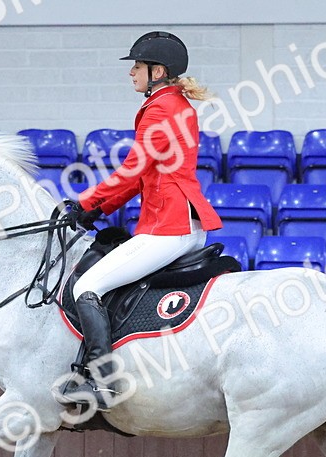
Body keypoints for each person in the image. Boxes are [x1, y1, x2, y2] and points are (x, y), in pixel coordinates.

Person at [57, 30, 223, 410]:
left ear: (157, 70)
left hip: (169, 226)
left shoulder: (162, 109)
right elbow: (140, 179)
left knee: (87, 287)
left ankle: (102, 381)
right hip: (177, 221)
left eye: (137, 66)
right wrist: (94, 209)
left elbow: (132, 171)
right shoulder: (174, 104)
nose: (131, 72)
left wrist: (85, 201)